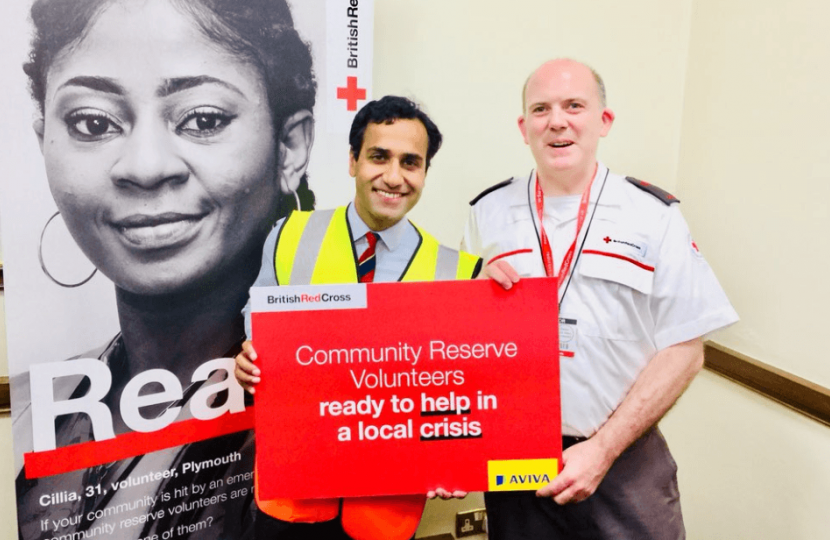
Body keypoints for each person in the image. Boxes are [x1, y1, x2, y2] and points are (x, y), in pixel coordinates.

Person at [13, 0, 317, 539]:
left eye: (203, 119)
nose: (145, 167)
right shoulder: (34, 409)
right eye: (93, 122)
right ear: (44, 145)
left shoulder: (330, 392)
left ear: (289, 146)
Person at [461, 58, 739, 539]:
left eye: (574, 106)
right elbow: (461, 342)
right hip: (516, 461)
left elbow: (686, 351)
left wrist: (603, 449)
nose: (558, 121)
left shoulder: (653, 216)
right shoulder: (487, 213)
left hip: (624, 461)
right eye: (541, 109)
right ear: (524, 127)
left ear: (603, 121)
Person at [234, 95, 480, 540]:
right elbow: (259, 315)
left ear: (424, 173)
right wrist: (250, 356)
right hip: (293, 495)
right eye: (379, 157)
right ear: (352, 161)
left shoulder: (458, 273)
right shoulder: (290, 234)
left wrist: (456, 457)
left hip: (386, 507)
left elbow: (459, 389)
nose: (393, 177)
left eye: (411, 162)